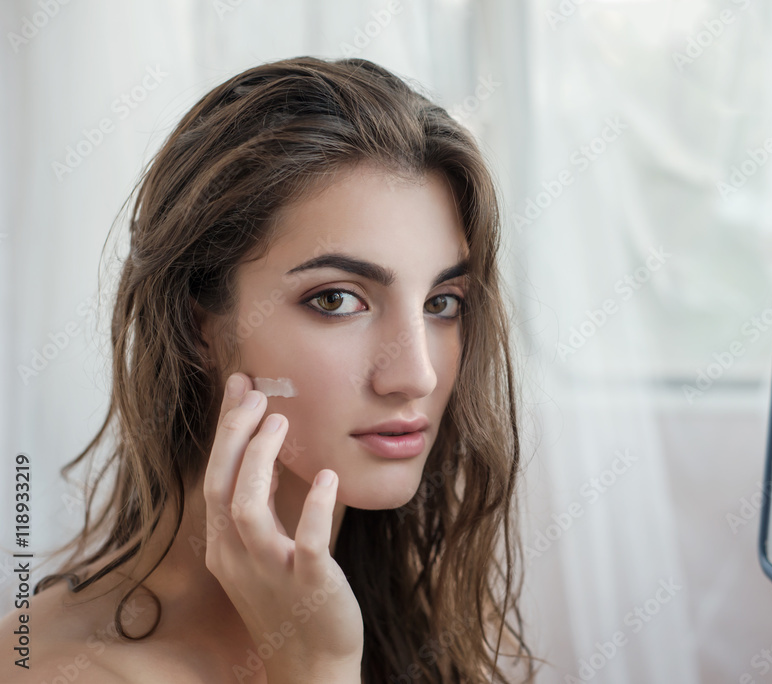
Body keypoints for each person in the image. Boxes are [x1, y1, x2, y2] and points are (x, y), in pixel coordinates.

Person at [0, 56, 539, 683]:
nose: (415, 375)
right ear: (199, 320)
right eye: (338, 300)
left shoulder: (400, 612)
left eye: (442, 303)